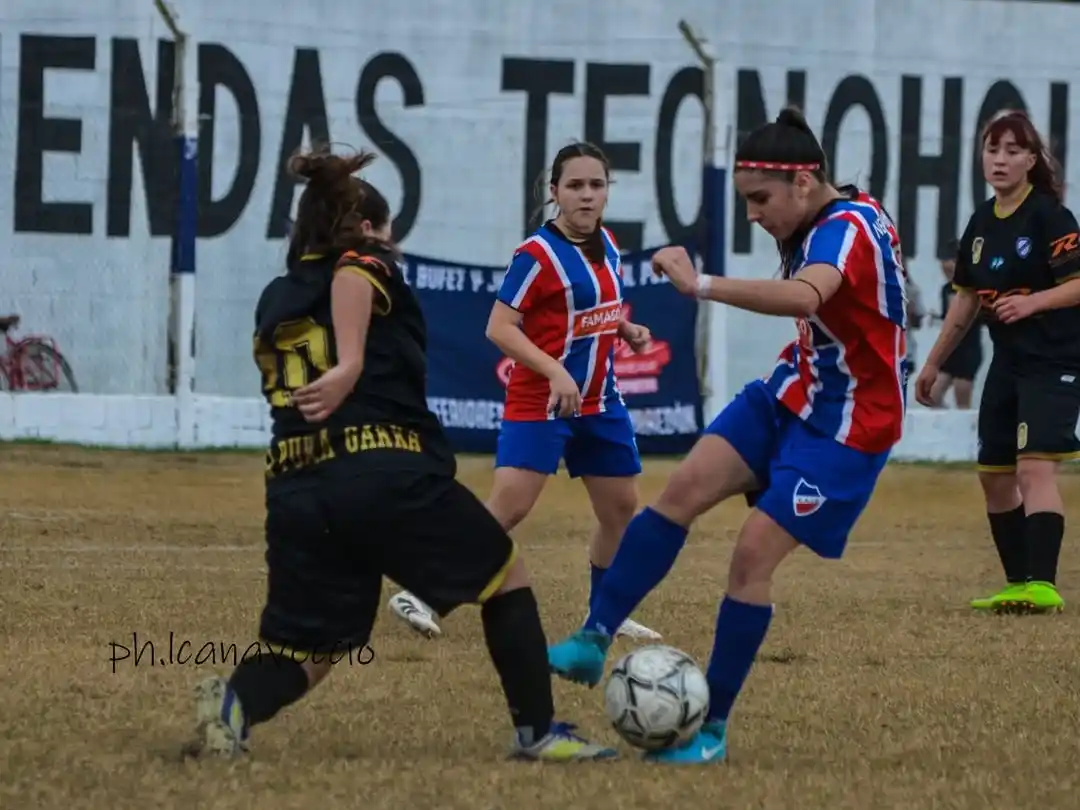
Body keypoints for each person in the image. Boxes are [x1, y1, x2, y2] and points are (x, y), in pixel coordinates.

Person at [184, 144, 616, 763]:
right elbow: (356, 271)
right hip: (381, 469)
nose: (393, 245)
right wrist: (354, 359)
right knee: (505, 576)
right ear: (364, 229)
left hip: (297, 487)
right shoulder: (362, 264)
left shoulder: (276, 295)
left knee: (314, 649)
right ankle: (538, 735)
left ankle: (234, 707)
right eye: (387, 233)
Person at [546, 107, 908, 764]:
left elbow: (806, 298)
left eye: (760, 200)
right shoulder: (828, 212)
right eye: (747, 201)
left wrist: (699, 284)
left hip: (850, 424)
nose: (753, 214)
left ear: (804, 182)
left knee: (750, 559)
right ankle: (593, 638)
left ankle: (709, 730)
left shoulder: (847, 228)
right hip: (791, 389)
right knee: (679, 490)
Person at [388, 141, 662, 642]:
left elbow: (593, 309)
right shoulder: (536, 254)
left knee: (621, 508)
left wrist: (625, 329)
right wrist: (555, 371)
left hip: (600, 401)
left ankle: (606, 613)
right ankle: (420, 591)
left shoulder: (609, 243)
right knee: (509, 507)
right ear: (554, 192)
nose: (586, 195)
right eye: (575, 186)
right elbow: (500, 326)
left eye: (596, 185)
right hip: (542, 399)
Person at [916, 109, 1080, 615]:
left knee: (1034, 470)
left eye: (1013, 151)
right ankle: (1018, 583)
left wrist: (1033, 302)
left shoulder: (1051, 216)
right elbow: (965, 300)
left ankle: (1043, 585)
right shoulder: (981, 223)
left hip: (1055, 362)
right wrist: (932, 362)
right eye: (992, 150)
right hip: (1008, 364)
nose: (1000, 160)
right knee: (993, 475)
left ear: (1032, 160)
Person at [928, 239, 984, 409]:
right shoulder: (946, 289)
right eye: (944, 262)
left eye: (951, 262)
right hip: (950, 349)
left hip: (968, 348)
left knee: (962, 393)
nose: (947, 266)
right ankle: (948, 425)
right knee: (932, 395)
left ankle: (966, 432)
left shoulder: (974, 287)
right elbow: (949, 317)